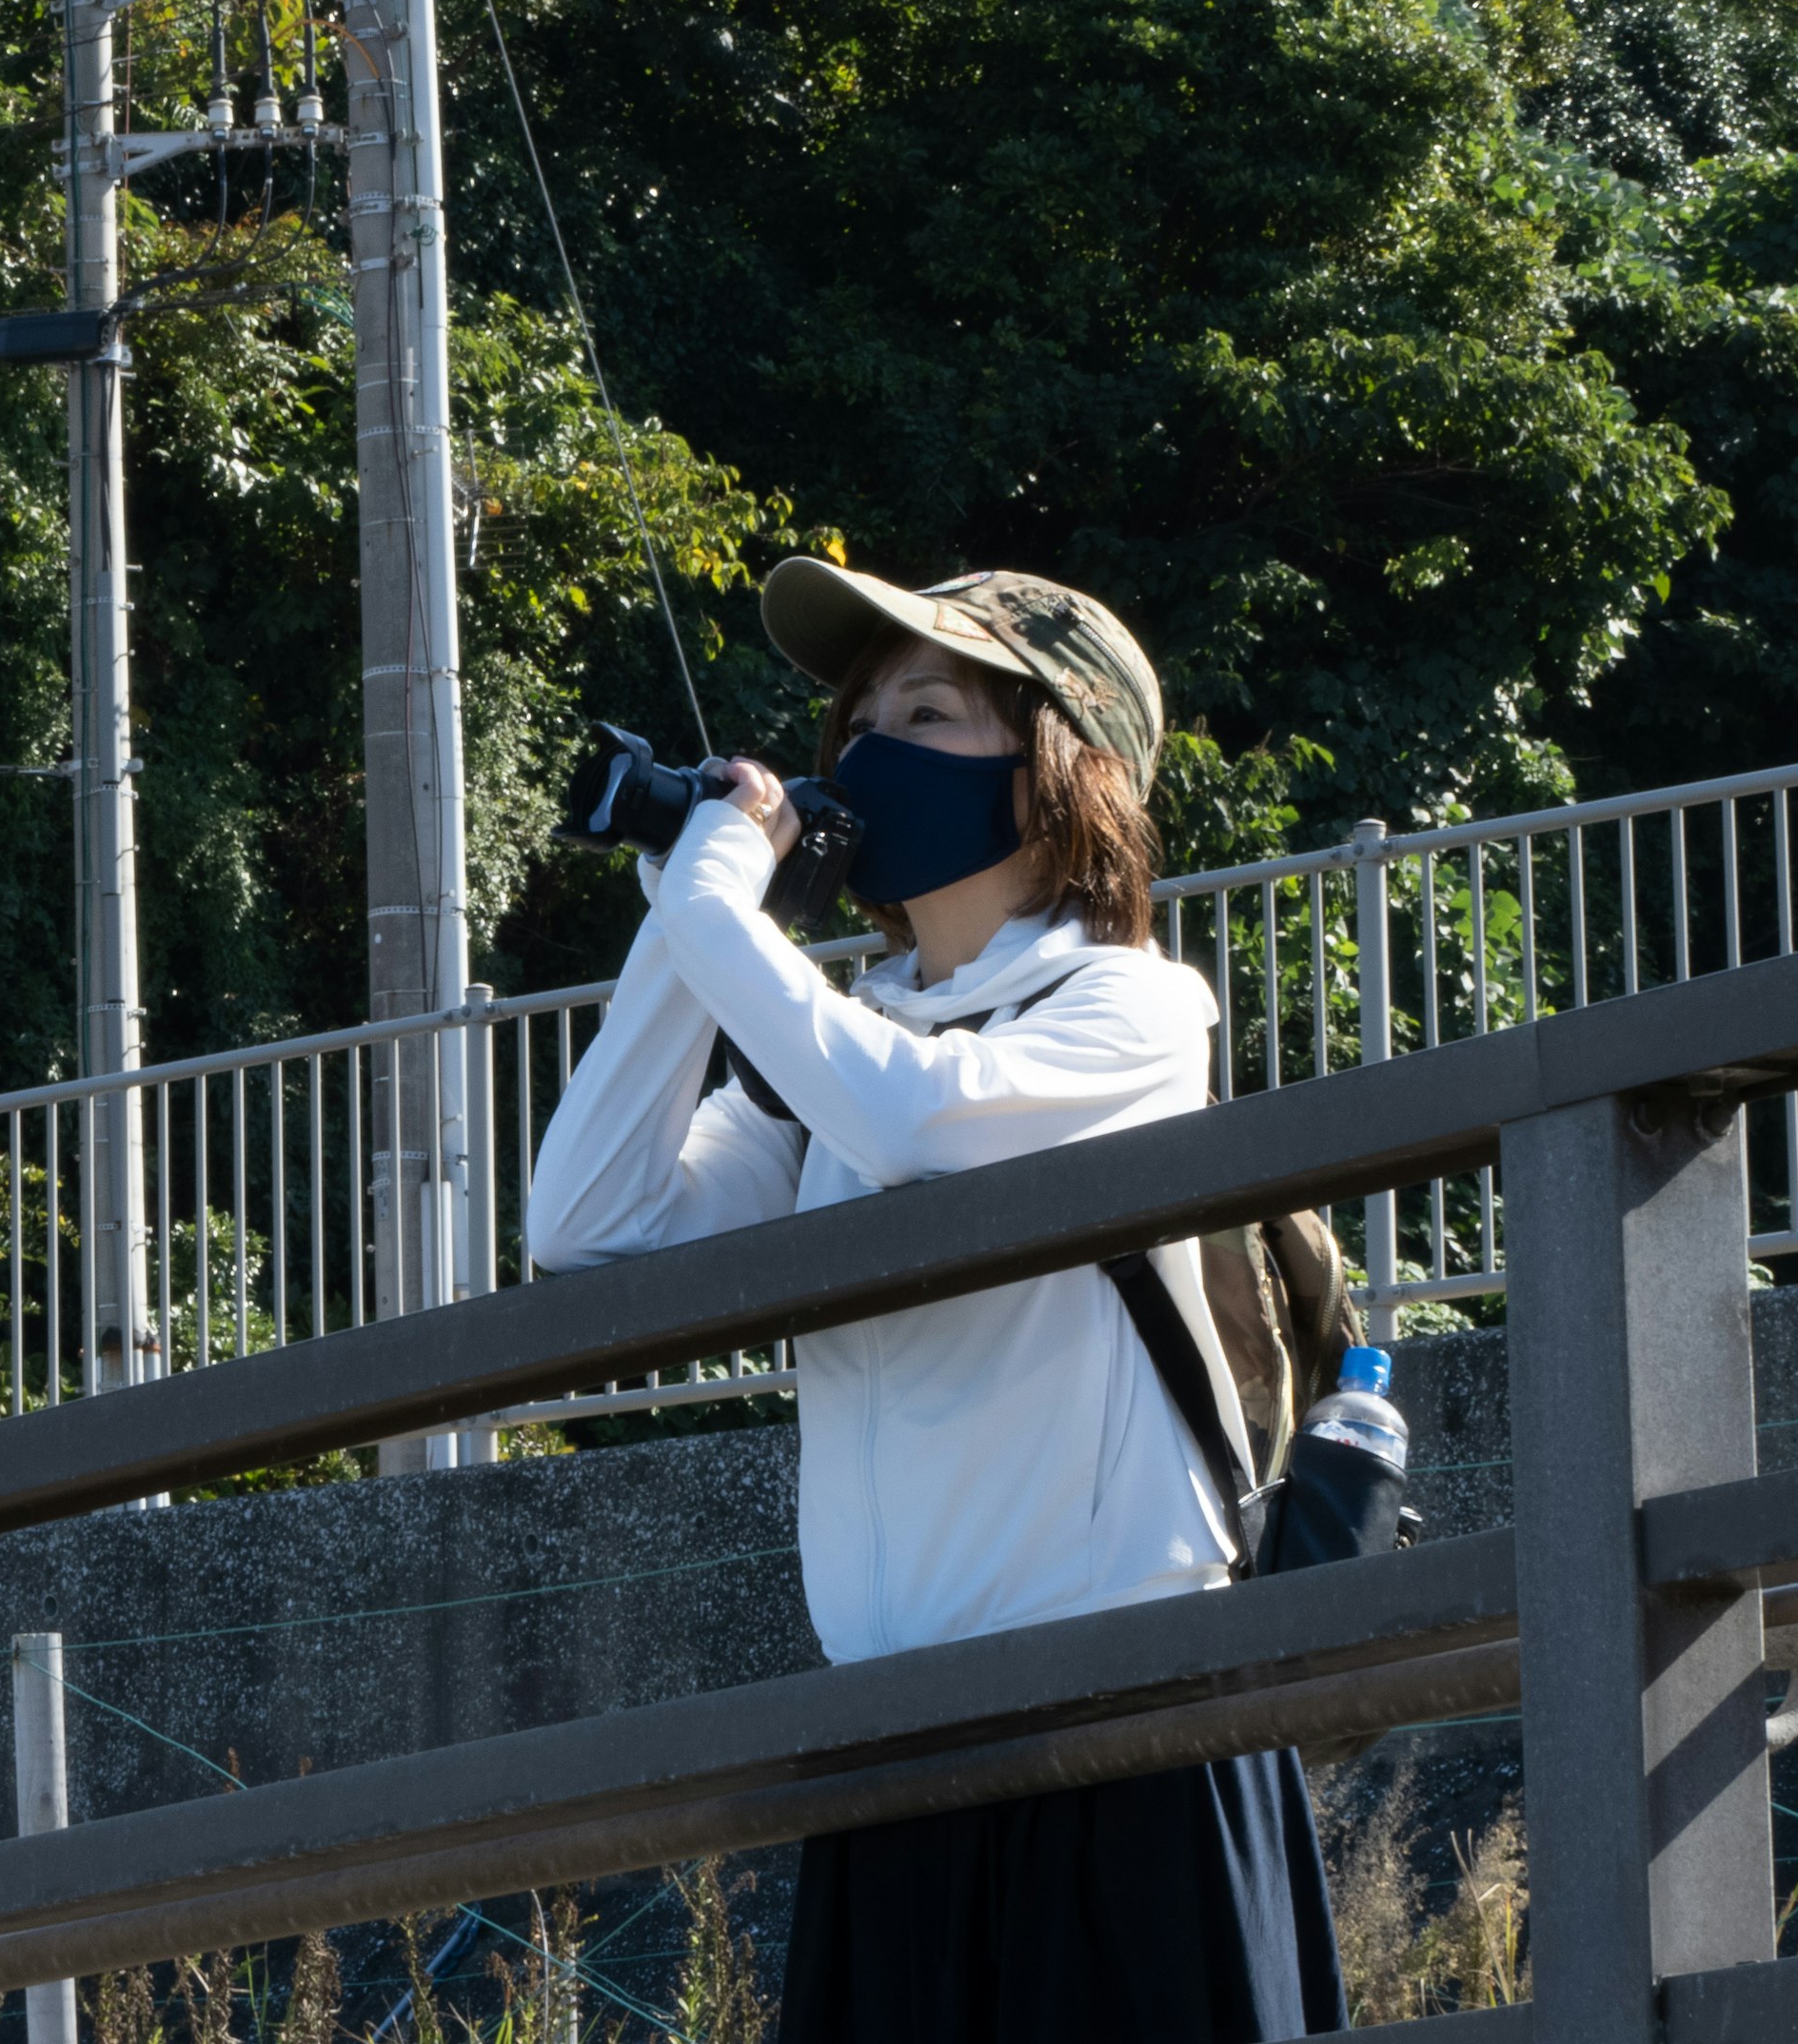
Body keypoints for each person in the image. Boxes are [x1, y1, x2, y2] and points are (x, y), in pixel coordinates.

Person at [524, 557, 1346, 2042]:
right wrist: (684, 917)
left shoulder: (1135, 1009)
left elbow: (918, 1124)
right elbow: (588, 1223)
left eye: (929, 709)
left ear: (1060, 765)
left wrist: (724, 900)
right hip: (890, 1752)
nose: (870, 751)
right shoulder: (846, 1061)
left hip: (1122, 1731)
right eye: (858, 723)